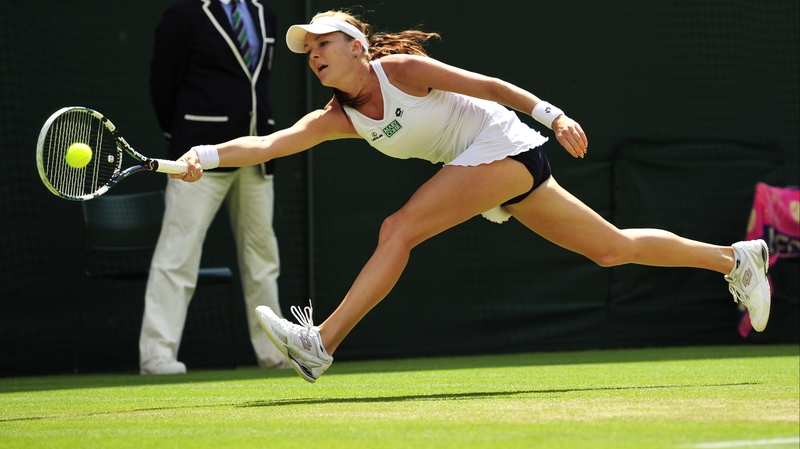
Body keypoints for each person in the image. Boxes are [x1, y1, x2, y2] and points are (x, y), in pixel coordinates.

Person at [173, 10, 772, 382]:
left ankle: (320, 342)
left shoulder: (402, 69)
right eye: (310, 52)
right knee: (611, 249)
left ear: (356, 46)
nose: (315, 57)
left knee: (397, 228)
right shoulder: (337, 117)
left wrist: (552, 114)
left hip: (504, 143)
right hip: (490, 165)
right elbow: (271, 145)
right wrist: (205, 156)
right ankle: (735, 258)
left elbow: (486, 85)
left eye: (323, 45)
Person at [139, 0, 288, 375]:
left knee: (262, 259)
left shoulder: (264, 12)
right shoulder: (184, 13)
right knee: (178, 255)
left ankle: (275, 353)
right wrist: (182, 140)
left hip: (255, 154)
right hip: (197, 157)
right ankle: (157, 355)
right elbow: (163, 82)